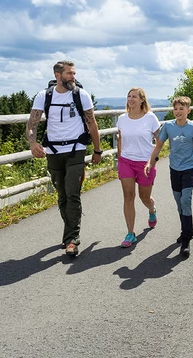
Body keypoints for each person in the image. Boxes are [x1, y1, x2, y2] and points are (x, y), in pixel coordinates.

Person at [26, 60, 102, 257]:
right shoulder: (44, 96)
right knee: (62, 195)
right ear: (57, 75)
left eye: (74, 73)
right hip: (53, 151)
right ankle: (69, 233)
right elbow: (32, 123)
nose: (73, 77)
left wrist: (97, 150)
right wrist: (33, 143)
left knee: (72, 193)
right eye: (69, 74)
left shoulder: (81, 94)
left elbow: (92, 123)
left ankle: (72, 239)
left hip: (76, 149)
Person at [145, 96, 193, 258]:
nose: (178, 111)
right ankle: (188, 229)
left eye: (181, 109)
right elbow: (158, 146)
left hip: (189, 168)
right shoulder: (168, 126)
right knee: (179, 203)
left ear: (188, 111)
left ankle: (185, 239)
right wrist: (150, 163)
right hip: (174, 169)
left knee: (185, 200)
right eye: (175, 109)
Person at [115, 87, 161, 247]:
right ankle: (130, 233)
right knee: (128, 195)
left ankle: (152, 209)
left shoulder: (150, 118)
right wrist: (119, 159)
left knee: (144, 197)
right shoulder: (122, 119)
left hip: (145, 162)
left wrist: (152, 161)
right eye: (129, 96)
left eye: (134, 96)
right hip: (126, 161)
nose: (131, 99)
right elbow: (120, 140)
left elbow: (159, 141)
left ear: (142, 100)